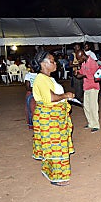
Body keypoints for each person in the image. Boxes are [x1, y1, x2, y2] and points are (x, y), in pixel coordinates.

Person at [31, 51, 75, 186]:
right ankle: (57, 177)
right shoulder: (40, 79)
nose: (55, 63)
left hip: (54, 118)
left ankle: (47, 170)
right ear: (43, 64)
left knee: (50, 146)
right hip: (49, 119)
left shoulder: (48, 78)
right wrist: (65, 95)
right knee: (55, 146)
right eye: (52, 61)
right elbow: (50, 98)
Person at [74, 49, 100, 133]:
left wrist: (83, 75)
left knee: (93, 107)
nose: (78, 61)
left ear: (83, 56)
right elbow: (81, 72)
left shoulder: (93, 63)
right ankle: (90, 123)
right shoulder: (84, 63)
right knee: (86, 106)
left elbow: (96, 76)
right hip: (86, 87)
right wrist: (77, 72)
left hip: (93, 87)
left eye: (79, 59)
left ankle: (96, 125)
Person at [24, 65, 37, 129]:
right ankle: (31, 124)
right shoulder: (28, 75)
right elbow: (28, 87)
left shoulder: (39, 75)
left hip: (38, 93)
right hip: (31, 93)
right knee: (30, 109)